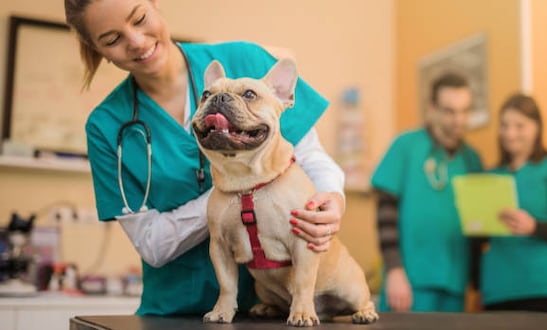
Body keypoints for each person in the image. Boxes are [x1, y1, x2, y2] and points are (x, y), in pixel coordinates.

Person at [64, 0, 346, 316]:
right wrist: (235, 190)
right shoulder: (106, 126)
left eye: (140, 18)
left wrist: (331, 199)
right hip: (175, 312)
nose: (137, 41)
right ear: (96, 48)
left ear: (155, 5)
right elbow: (152, 244)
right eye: (112, 39)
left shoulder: (243, 58)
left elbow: (310, 157)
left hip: (272, 307)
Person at [371, 73, 482, 312]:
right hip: (410, 283)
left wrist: (476, 281)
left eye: (464, 111)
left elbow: (476, 226)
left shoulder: (472, 159)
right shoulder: (406, 146)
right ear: (432, 109)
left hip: (455, 283)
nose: (458, 120)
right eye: (450, 111)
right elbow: (385, 212)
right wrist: (394, 271)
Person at [478, 93, 547, 315]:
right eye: (504, 125)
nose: (510, 133)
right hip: (499, 291)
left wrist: (534, 227)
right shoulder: (489, 176)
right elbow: (482, 237)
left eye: (519, 126)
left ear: (537, 128)